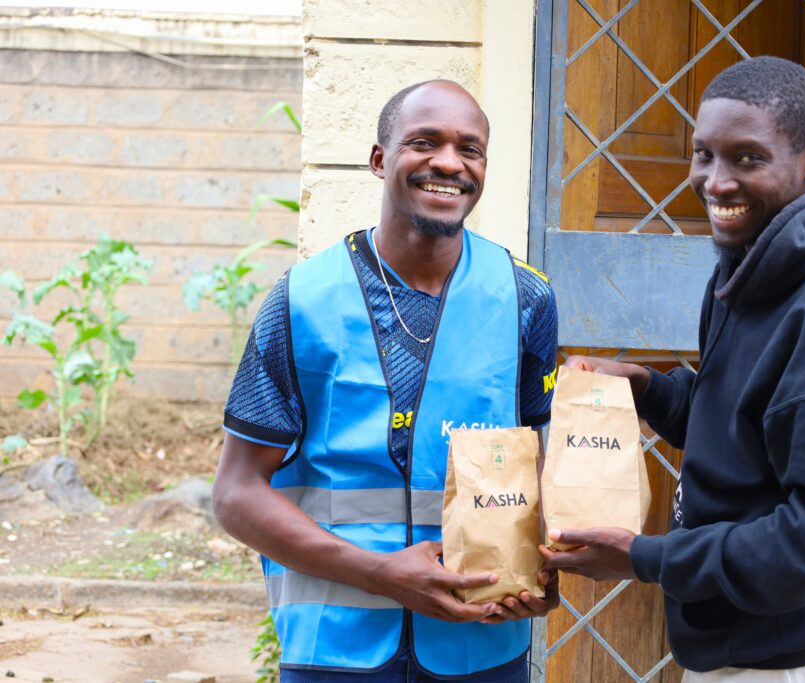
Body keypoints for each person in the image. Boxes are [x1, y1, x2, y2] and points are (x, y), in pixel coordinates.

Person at [539, 56, 805, 681]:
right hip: (747, 638)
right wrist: (648, 390)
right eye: (703, 155)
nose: (715, 182)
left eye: (746, 158)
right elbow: (747, 433)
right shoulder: (750, 265)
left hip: (798, 656)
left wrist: (647, 558)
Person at [213, 79, 559, 682]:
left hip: (480, 647)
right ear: (380, 159)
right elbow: (236, 494)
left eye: (469, 149)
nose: (448, 163)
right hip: (335, 651)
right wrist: (381, 573)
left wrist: (542, 573)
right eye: (424, 142)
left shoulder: (526, 298)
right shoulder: (301, 300)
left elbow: (541, 473)